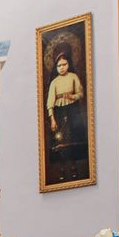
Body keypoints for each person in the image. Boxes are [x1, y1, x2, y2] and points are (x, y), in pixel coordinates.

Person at [46, 50, 87, 183]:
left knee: (73, 138)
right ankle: (62, 169)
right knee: (60, 141)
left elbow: (81, 93)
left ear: (68, 64)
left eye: (64, 64)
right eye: (59, 65)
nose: (62, 67)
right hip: (59, 112)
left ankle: (74, 167)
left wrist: (72, 96)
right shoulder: (54, 82)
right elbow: (50, 103)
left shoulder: (74, 77)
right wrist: (52, 119)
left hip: (72, 110)